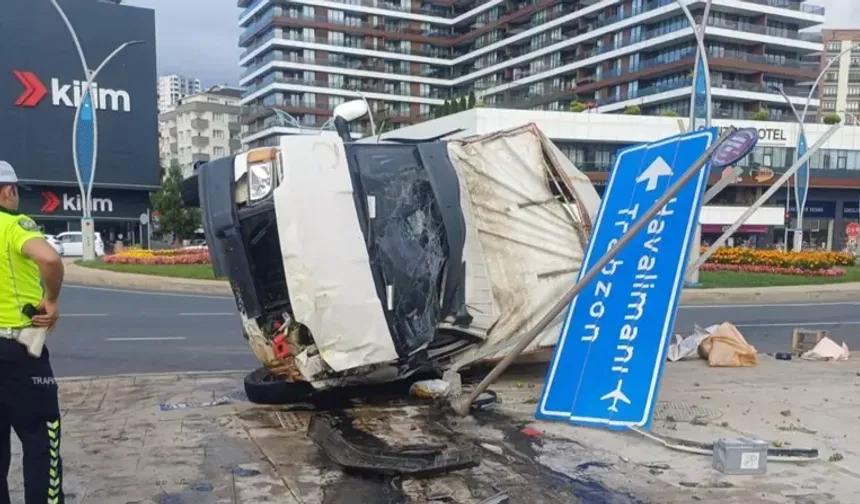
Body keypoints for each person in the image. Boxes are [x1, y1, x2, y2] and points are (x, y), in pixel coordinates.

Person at [0, 161, 65, 504]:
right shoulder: (13, 224)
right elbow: (51, 260)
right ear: (7, 190)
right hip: (18, 353)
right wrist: (51, 300)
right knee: (41, 439)